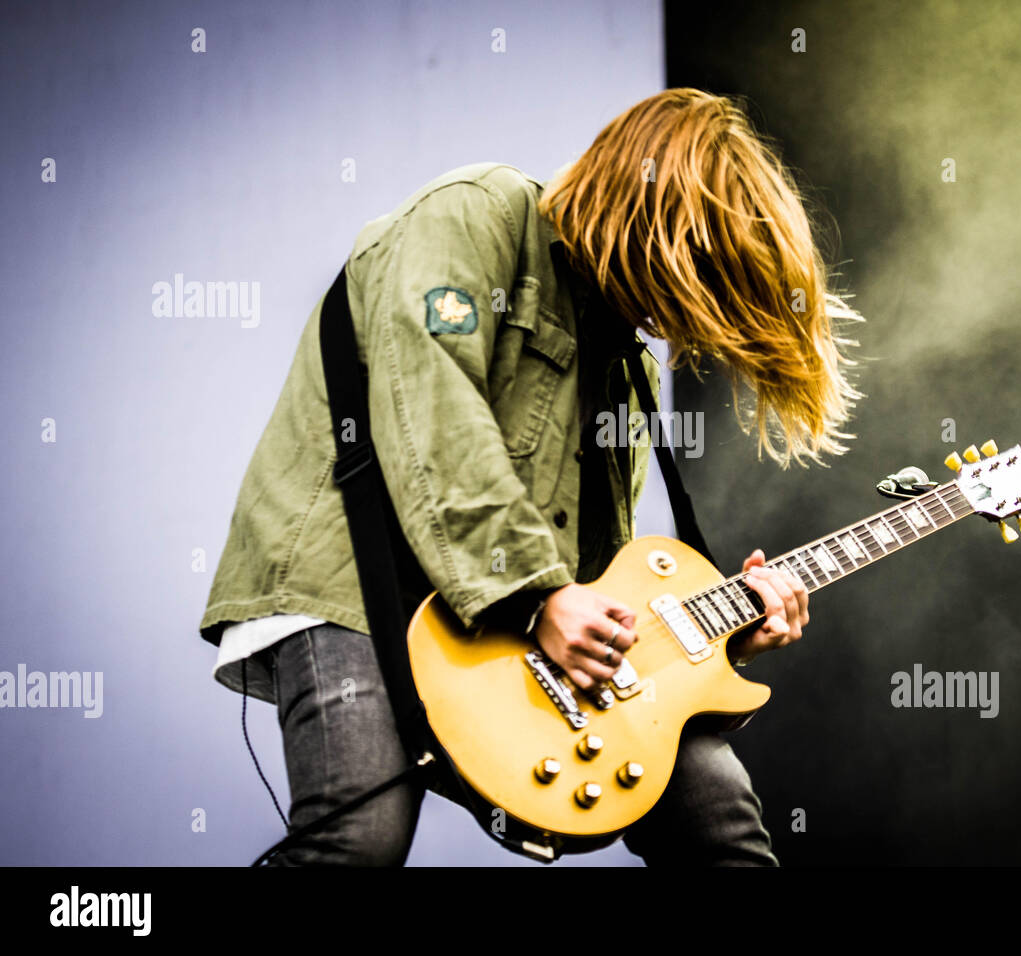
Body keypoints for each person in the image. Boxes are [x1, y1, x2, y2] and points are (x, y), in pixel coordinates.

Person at [199, 87, 863, 866]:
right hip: (348, 587)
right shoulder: (474, 217)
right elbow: (435, 421)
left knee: (723, 827)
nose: (683, 320)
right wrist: (541, 596)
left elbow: (596, 574)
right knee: (356, 840)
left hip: (507, 626)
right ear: (647, 220)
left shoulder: (626, 364)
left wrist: (717, 641)